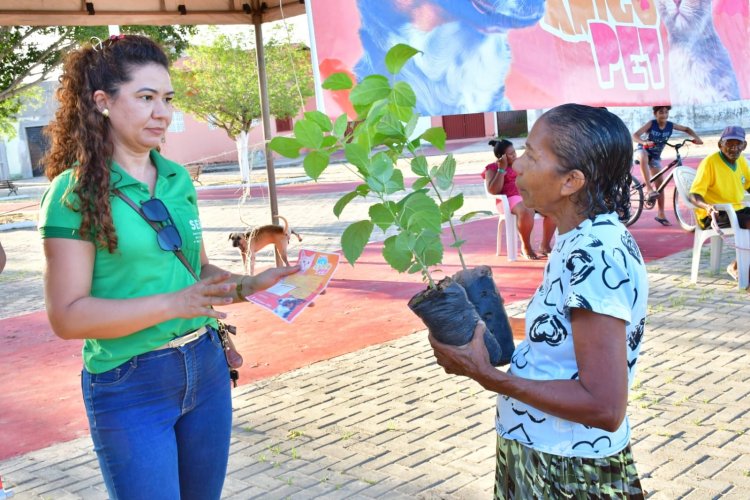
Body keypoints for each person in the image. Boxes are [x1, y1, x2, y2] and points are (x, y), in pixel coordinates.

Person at [38, 35, 298, 498]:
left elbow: (193, 271)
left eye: (168, 99)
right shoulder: (71, 193)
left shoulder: (177, 178)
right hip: (129, 381)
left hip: (205, 367)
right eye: (146, 97)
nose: (164, 112)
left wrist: (251, 284)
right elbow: (67, 315)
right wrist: (175, 303)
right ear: (102, 102)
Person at [431, 104, 647, 498]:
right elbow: (571, 335)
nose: (517, 168)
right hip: (541, 450)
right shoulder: (575, 236)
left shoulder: (596, 254)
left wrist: (487, 375)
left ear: (571, 182)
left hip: (567, 468)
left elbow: (604, 406)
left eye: (532, 155)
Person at [688, 125, 750, 282]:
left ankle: (737, 265)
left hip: (737, 210)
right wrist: (707, 207)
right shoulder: (710, 163)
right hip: (715, 214)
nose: (733, 148)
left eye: (737, 144)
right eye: (729, 144)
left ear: (744, 146)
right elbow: (694, 195)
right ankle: (738, 268)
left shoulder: (742, 161)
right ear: (720, 144)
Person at [482, 139, 556, 259]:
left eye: (514, 152)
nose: (515, 155)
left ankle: (545, 246)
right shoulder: (492, 168)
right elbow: (493, 190)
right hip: (507, 199)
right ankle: (526, 247)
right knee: (526, 209)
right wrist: (502, 169)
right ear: (502, 157)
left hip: (527, 196)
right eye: (511, 154)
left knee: (553, 208)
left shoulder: (520, 164)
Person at [632, 105, 703, 226]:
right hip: (642, 151)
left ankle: (661, 214)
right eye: (661, 112)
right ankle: (649, 188)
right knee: (643, 156)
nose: (664, 115)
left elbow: (687, 129)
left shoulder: (670, 125)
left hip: (655, 157)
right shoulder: (651, 124)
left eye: (666, 112)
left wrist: (696, 138)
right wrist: (644, 142)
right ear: (655, 114)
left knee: (661, 185)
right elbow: (635, 135)